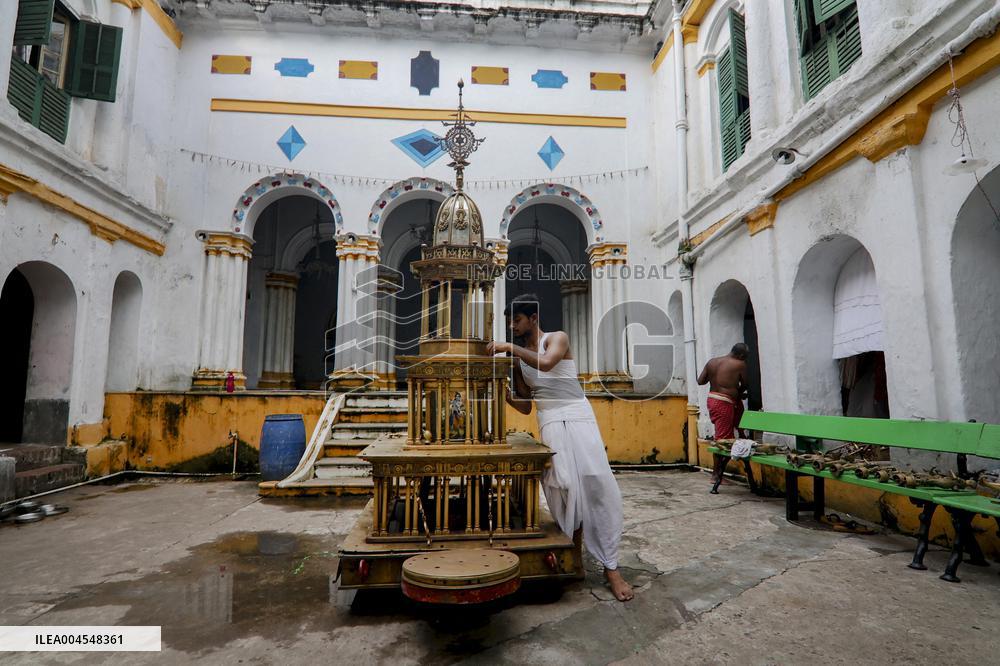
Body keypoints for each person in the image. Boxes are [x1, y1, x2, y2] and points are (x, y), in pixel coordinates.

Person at [487, 293, 634, 602]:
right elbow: (526, 404)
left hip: (578, 417)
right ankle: (575, 557)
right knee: (563, 489)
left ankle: (612, 567)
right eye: (509, 323)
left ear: (533, 318)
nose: (512, 327)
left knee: (595, 485)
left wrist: (509, 349)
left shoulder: (557, 339)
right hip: (550, 422)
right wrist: (498, 390)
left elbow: (547, 362)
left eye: (517, 320)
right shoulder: (518, 360)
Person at [698, 343, 750, 493]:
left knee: (728, 434)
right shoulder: (739, 364)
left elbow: (700, 381)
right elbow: (745, 384)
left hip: (713, 399)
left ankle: (718, 471)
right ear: (741, 356)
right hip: (724, 402)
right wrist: (736, 391)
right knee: (723, 439)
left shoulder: (712, 362)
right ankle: (716, 474)